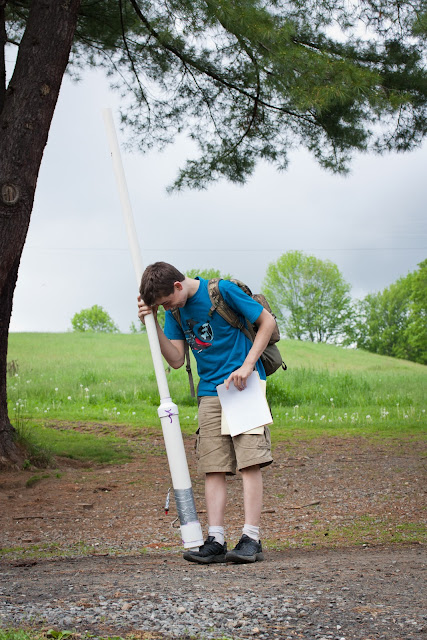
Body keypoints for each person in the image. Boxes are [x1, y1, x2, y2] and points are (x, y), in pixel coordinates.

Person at [137, 262, 276, 564]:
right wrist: (154, 322)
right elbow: (176, 359)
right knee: (213, 466)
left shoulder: (221, 290)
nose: (167, 307)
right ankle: (216, 540)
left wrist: (248, 365)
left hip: (245, 385)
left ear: (177, 286)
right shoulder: (174, 312)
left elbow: (267, 322)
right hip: (210, 392)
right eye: (162, 306)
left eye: (167, 302)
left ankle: (251, 538)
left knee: (249, 463)